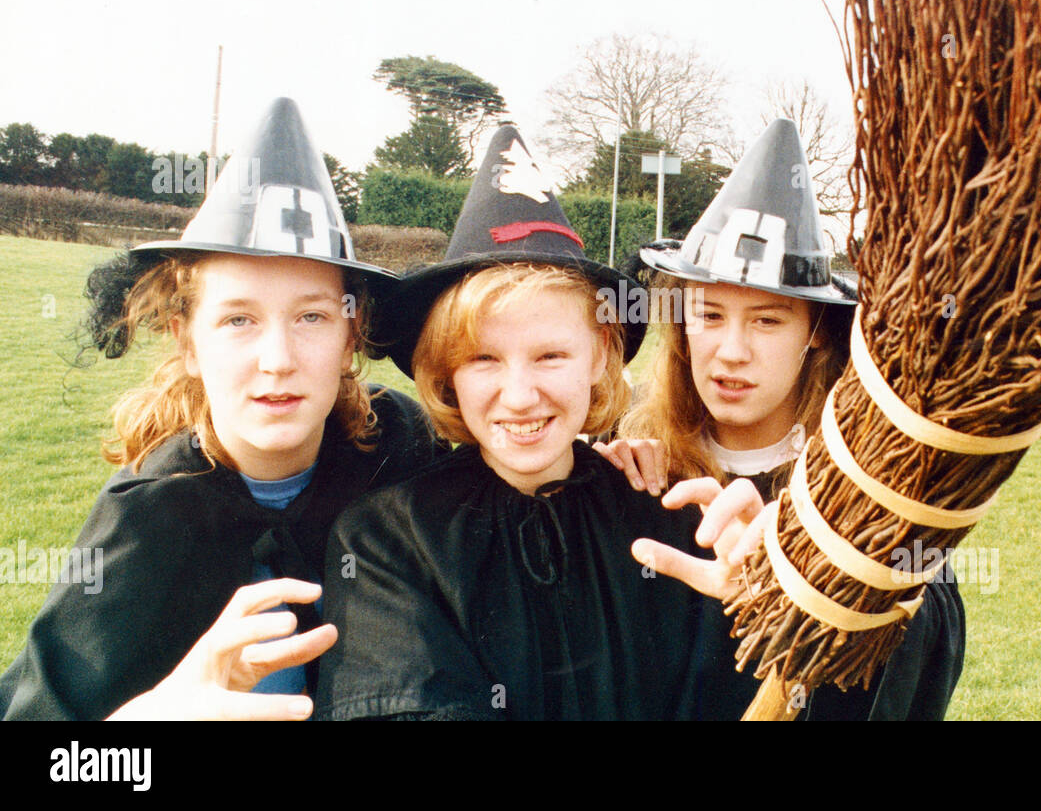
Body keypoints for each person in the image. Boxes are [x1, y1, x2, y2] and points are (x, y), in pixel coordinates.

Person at [315, 126, 865, 720]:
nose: (521, 396)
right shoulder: (389, 540)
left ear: (601, 355)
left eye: (551, 356)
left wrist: (774, 612)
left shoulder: (672, 522)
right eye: (484, 358)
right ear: (446, 370)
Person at [0, 98, 440, 721]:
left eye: (311, 316)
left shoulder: (405, 455)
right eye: (238, 319)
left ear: (351, 332)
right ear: (187, 341)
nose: (277, 359)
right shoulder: (147, 520)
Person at [613, 118, 966, 719]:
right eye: (710, 314)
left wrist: (827, 561)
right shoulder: (642, 472)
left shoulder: (867, 494)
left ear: (817, 337)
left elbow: (926, 656)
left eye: (768, 320)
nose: (731, 350)